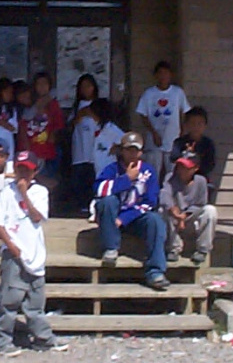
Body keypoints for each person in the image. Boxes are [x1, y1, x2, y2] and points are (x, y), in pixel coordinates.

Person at [0, 150, 68, 356]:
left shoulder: (40, 192)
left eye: (27, 170)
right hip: (14, 251)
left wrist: (24, 194)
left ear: (34, 172)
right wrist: (10, 245)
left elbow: (37, 217)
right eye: (20, 169)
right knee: (9, 299)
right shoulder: (6, 192)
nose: (23, 174)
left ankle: (43, 338)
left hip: (34, 252)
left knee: (35, 302)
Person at [93, 132, 169, 291]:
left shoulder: (149, 171)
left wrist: (124, 218)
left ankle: (155, 271)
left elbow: (150, 201)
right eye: (128, 150)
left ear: (141, 152)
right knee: (106, 201)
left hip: (134, 218)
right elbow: (99, 190)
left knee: (155, 220)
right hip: (110, 221)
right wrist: (126, 179)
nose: (132, 154)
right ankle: (111, 248)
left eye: (136, 150)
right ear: (122, 151)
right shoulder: (111, 169)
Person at [159, 151, 218, 265]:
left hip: (190, 218)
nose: (182, 170)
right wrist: (173, 209)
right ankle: (173, 248)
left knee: (210, 210)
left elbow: (201, 204)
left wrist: (184, 216)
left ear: (195, 168)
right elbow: (164, 195)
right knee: (163, 210)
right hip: (174, 217)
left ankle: (202, 250)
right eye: (180, 166)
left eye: (186, 167)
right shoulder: (170, 178)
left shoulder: (201, 181)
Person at [136, 61, 190, 181]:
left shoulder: (178, 92)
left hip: (173, 139)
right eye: (160, 73)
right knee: (152, 172)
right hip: (154, 140)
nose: (163, 76)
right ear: (156, 75)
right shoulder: (149, 94)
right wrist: (154, 133)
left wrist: (182, 130)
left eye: (166, 73)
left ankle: (171, 197)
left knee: (173, 172)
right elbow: (143, 115)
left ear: (171, 75)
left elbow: (184, 111)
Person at [20, 71, 65, 182]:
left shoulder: (53, 103)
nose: (42, 87)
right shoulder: (29, 102)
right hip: (31, 146)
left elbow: (58, 123)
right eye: (39, 84)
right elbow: (23, 124)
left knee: (46, 177)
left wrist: (53, 135)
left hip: (47, 147)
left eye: (45, 84)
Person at [68, 73, 100, 211]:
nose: (86, 89)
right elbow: (69, 126)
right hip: (80, 149)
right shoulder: (76, 106)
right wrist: (79, 115)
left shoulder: (99, 104)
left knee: (93, 177)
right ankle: (81, 205)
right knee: (79, 179)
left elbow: (105, 123)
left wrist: (91, 113)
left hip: (96, 149)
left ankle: (93, 204)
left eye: (89, 86)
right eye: (83, 87)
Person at [170, 106, 217, 182]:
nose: (196, 127)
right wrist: (186, 153)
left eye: (199, 123)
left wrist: (195, 164)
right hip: (181, 177)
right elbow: (173, 158)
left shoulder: (208, 144)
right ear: (186, 124)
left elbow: (209, 165)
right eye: (192, 123)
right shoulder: (179, 142)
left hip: (200, 177)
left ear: (205, 125)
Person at [89, 98, 124, 178]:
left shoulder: (110, 128)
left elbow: (126, 141)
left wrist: (118, 148)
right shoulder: (97, 127)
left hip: (109, 171)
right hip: (99, 170)